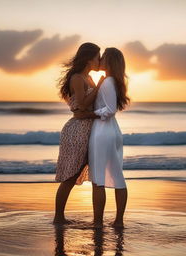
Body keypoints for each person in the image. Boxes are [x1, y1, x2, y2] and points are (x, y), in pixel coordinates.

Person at [74, 47, 130, 228]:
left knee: (98, 180)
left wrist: (92, 113)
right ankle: (118, 221)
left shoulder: (107, 82)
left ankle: (98, 222)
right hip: (112, 131)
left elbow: (110, 109)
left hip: (102, 132)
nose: (100, 60)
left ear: (110, 61)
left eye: (103, 57)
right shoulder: (113, 81)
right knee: (117, 176)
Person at [53, 42, 103, 225]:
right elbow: (81, 105)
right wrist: (98, 89)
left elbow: (87, 107)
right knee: (71, 176)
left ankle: (97, 219)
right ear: (89, 58)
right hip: (77, 131)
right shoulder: (77, 78)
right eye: (98, 57)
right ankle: (58, 217)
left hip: (88, 129)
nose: (100, 61)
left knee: (95, 175)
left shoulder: (88, 78)